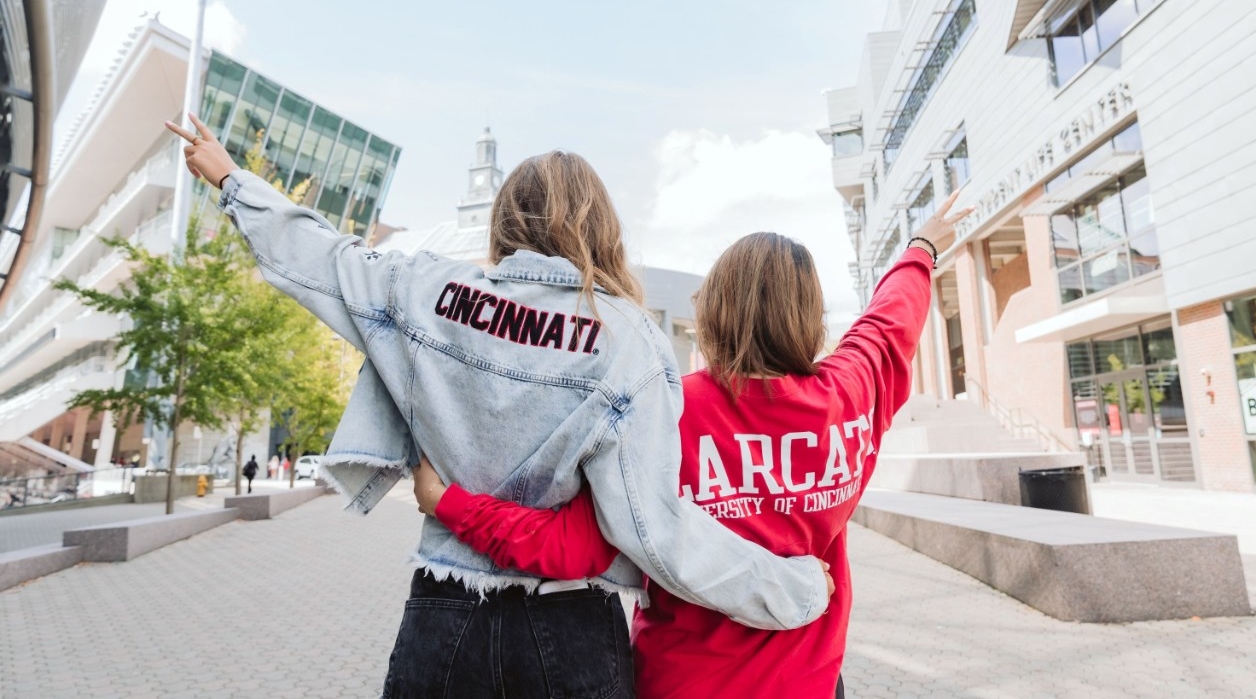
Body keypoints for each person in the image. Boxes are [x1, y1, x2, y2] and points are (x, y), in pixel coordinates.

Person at [168, 114, 833, 698]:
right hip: (570, 630)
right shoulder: (628, 340)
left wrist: (233, 181)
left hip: (443, 610)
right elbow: (655, 532)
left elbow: (323, 261)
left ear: (505, 219)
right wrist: (790, 587)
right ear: (600, 228)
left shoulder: (424, 287)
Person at [412, 193, 970, 698]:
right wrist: (921, 250)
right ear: (808, 315)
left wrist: (452, 504)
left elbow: (578, 547)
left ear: (715, 310)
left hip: (682, 684)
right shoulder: (850, 394)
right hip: (811, 682)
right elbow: (889, 323)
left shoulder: (667, 413)